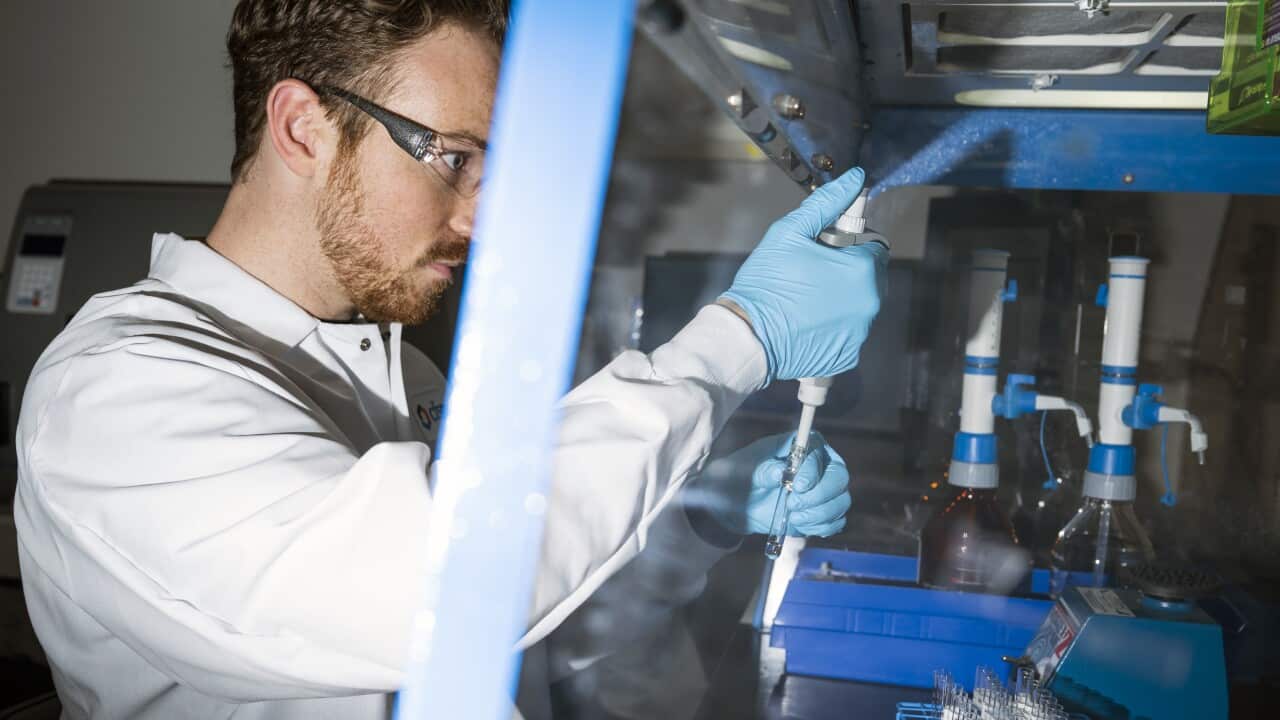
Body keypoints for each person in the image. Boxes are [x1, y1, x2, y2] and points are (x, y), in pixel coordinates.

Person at [12, 2, 885, 718]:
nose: (479, 217)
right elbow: (426, 600)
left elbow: (528, 633)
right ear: (303, 129)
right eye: (453, 158)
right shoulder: (114, 392)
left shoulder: (406, 380)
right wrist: (738, 338)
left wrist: (697, 516)